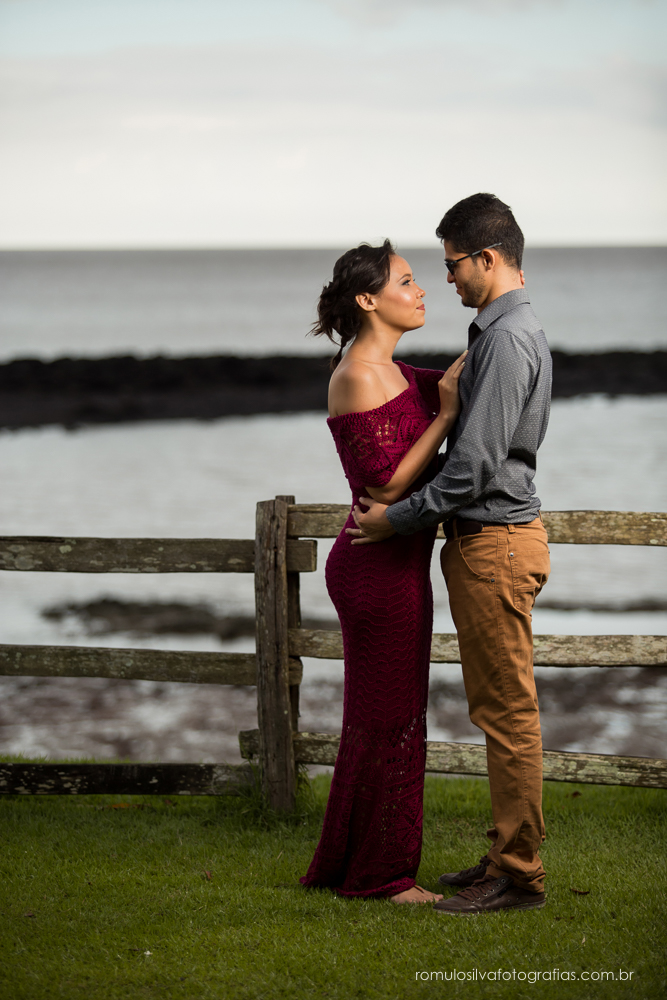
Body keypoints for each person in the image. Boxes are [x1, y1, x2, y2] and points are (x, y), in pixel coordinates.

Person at [350, 194, 552, 914]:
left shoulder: (502, 340)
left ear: (487, 259)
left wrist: (394, 521)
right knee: (499, 711)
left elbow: (472, 470)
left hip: (493, 543)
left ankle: (518, 875)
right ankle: (504, 853)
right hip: (490, 541)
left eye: (453, 265)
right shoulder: (505, 330)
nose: (448, 281)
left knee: (505, 717)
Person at [299, 240, 467, 903]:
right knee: (388, 721)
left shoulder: (391, 369)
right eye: (407, 280)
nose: (422, 290)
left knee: (388, 719)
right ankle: (382, 876)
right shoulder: (357, 375)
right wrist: (449, 414)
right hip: (373, 571)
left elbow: (459, 378)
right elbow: (386, 483)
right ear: (368, 300)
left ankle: (356, 863)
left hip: (397, 566)